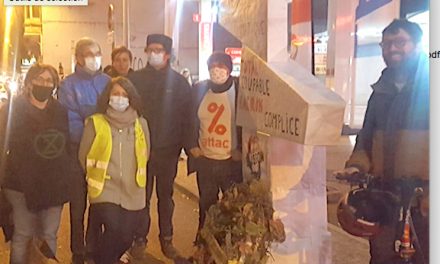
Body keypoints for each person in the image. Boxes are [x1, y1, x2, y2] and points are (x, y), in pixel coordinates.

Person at [335, 19, 429, 264]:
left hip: (425, 201)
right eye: (386, 44)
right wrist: (356, 167)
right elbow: (365, 138)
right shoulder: (380, 92)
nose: (392, 49)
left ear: (418, 45)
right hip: (385, 198)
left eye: (400, 42)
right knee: (382, 257)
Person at [0, 63, 73, 263]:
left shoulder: (60, 111)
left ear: (55, 85)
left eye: (49, 80)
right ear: (30, 82)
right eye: (39, 79)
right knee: (23, 234)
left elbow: (65, 145)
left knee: (48, 234)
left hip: (53, 183)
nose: (44, 84)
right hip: (20, 184)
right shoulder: (12, 110)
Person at [129, 33, 191, 260]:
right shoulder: (135, 79)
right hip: (140, 151)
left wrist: (186, 148)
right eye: (150, 50)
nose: (153, 54)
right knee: (141, 198)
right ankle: (139, 239)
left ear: (167, 54)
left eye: (158, 50)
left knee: (166, 198)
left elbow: (186, 118)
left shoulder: (180, 83)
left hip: (167, 152)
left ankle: (167, 240)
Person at [78, 77, 150, 264]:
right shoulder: (95, 122)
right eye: (116, 93)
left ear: (132, 98)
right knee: (114, 229)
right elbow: (83, 155)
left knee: (126, 237)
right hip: (104, 188)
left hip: (132, 190)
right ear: (107, 96)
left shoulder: (140, 124)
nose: (120, 98)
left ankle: (101, 260)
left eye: (124, 95)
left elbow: (146, 153)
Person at [58, 37, 111, 264]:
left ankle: (94, 246)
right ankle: (77, 250)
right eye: (89, 54)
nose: (94, 58)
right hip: (77, 153)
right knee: (78, 205)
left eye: (97, 53)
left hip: (103, 154)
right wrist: (94, 136)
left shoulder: (108, 82)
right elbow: (71, 119)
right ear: (79, 58)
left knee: (99, 202)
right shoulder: (68, 85)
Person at [187, 51, 243, 243]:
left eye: (221, 66)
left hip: (230, 162)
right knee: (206, 205)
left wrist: (242, 149)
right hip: (206, 161)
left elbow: (249, 121)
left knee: (232, 207)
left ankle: (230, 245)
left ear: (230, 69)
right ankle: (204, 243)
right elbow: (187, 119)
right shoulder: (199, 89)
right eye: (213, 66)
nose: (217, 70)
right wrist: (192, 146)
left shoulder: (239, 90)